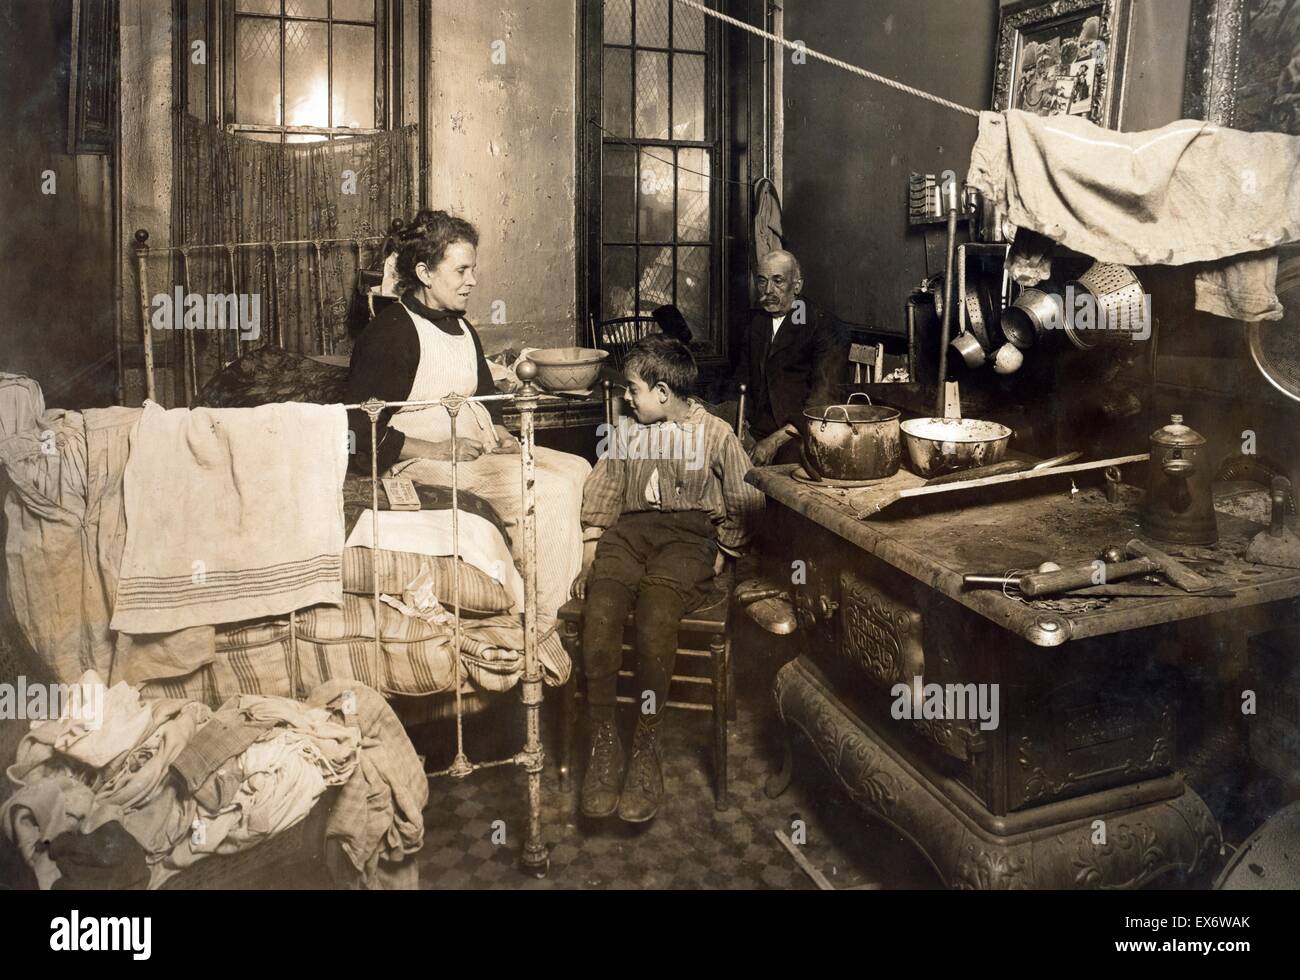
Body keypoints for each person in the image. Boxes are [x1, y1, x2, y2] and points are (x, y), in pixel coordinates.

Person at [345, 210, 591, 618]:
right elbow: (358, 431)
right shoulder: (391, 333)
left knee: (578, 467)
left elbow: (486, 395)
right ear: (425, 272)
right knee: (549, 490)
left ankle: (559, 590)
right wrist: (440, 449)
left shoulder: (462, 328)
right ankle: (546, 619)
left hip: (476, 450)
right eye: (461, 270)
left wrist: (499, 429)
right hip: (418, 463)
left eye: (472, 269)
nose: (472, 281)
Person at [572, 335, 763, 823]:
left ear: (661, 391)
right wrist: (592, 552)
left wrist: (724, 549)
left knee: (657, 613)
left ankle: (645, 744)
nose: (627, 399)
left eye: (633, 389)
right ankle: (603, 741)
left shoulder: (716, 433)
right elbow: (605, 491)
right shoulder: (627, 431)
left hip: (689, 537)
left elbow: (748, 500)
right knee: (602, 609)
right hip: (631, 533)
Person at [734, 249, 845, 466]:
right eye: (762, 282)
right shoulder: (755, 322)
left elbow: (823, 401)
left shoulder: (822, 325)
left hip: (801, 433)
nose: (768, 291)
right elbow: (741, 380)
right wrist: (741, 424)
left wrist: (773, 442)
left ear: (797, 286)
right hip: (757, 429)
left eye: (778, 281)